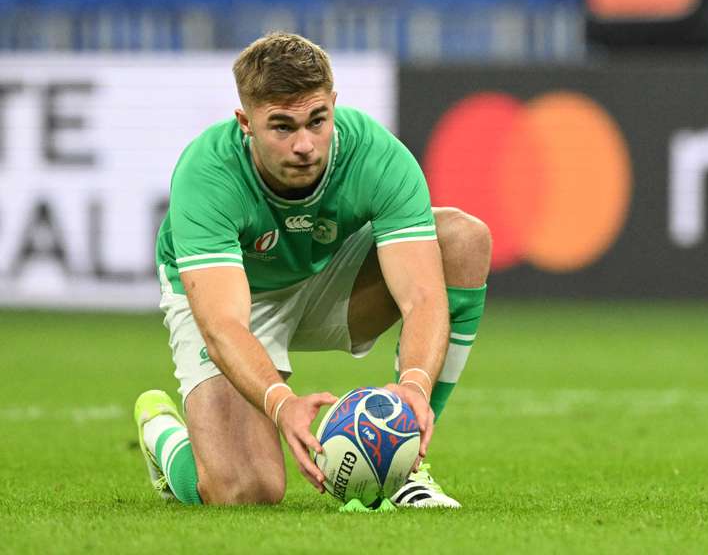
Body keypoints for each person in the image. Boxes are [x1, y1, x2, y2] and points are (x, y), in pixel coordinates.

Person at [133, 32, 490, 508]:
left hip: (326, 283)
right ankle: (165, 437)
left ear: (333, 106)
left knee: (463, 239)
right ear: (246, 123)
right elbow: (222, 324)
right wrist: (282, 403)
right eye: (282, 127)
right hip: (236, 298)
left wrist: (413, 388)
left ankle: (409, 466)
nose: (305, 144)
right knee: (246, 491)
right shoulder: (207, 173)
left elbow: (423, 297)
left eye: (317, 121)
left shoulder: (375, 155)